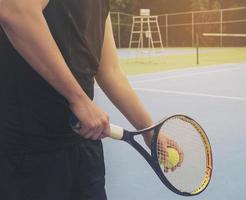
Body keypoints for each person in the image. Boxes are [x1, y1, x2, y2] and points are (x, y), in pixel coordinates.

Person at [0, 0, 155, 199]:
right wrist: (79, 99)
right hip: (27, 151)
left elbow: (110, 71)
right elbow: (15, 10)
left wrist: (149, 131)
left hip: (83, 147)